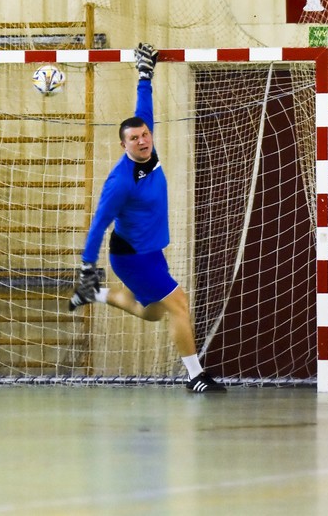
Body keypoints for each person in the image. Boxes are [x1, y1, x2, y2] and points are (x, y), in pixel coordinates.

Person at [68, 43, 225, 393]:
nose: (142, 141)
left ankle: (95, 294)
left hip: (151, 251)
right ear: (123, 145)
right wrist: (86, 266)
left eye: (145, 135)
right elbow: (97, 225)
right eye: (134, 138)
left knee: (153, 312)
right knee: (179, 303)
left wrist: (144, 75)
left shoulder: (150, 153)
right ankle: (195, 376)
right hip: (132, 258)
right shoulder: (120, 182)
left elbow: (143, 109)